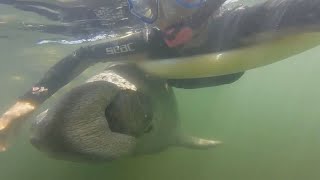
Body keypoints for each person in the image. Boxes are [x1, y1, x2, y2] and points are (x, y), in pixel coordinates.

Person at [0, 0, 319, 151]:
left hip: (223, 72)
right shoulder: (149, 41)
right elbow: (81, 55)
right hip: (172, 76)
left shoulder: (244, 21)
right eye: (148, 7)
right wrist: (18, 112)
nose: (167, 18)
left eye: (186, 1)